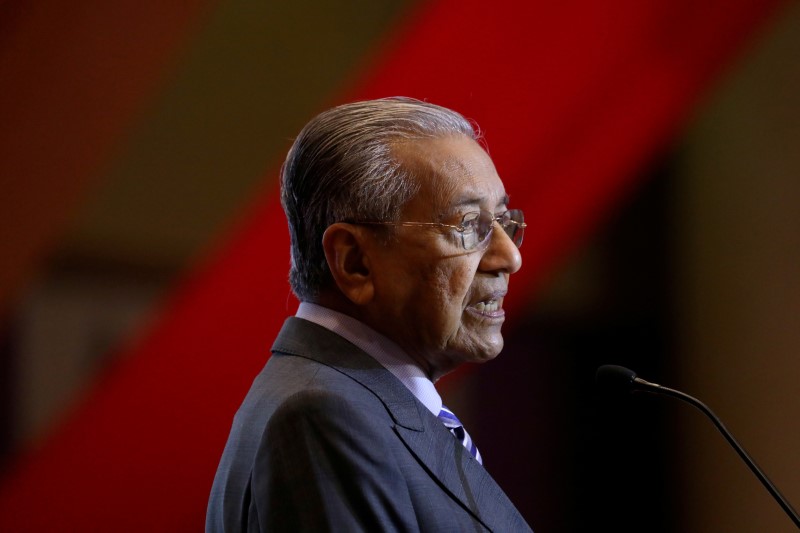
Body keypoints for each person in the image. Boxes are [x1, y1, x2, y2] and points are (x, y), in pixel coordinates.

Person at [206, 97, 532, 532]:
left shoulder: (352, 403)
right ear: (355, 262)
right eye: (467, 225)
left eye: (505, 222)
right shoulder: (324, 416)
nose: (509, 257)